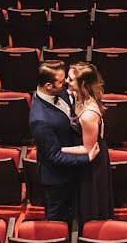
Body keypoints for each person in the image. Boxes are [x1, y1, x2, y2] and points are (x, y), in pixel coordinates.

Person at [29, 60, 100, 226]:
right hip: (56, 177)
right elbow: (54, 156)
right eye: (61, 81)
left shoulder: (60, 92)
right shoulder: (39, 119)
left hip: (72, 166)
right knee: (56, 219)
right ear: (48, 86)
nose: (66, 82)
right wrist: (86, 158)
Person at [62, 62, 114, 224]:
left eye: (70, 79)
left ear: (82, 84)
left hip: (91, 160)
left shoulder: (88, 115)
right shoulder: (78, 95)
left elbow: (88, 149)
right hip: (81, 151)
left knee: (89, 201)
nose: (66, 81)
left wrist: (59, 150)